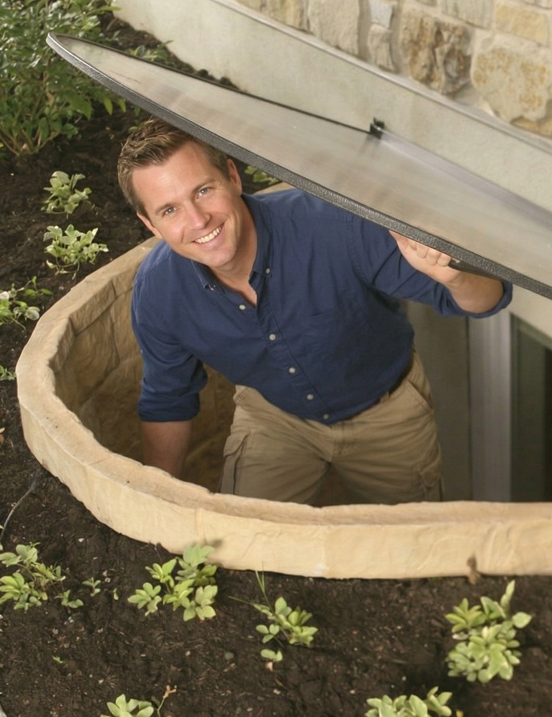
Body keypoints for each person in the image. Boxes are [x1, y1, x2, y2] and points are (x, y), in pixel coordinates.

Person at [117, 118, 511, 505]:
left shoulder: (334, 226)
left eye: (203, 190)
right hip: (274, 415)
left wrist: (454, 276)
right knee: (249, 539)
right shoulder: (158, 292)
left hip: (386, 413)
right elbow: (168, 400)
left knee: (405, 543)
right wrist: (155, 507)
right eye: (169, 210)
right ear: (149, 224)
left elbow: (488, 298)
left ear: (233, 177)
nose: (197, 220)